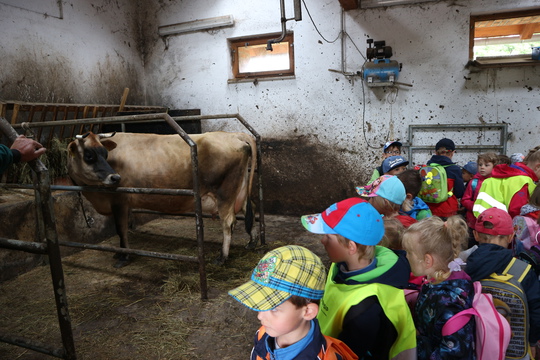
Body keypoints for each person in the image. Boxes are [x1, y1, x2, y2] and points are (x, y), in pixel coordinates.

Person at [301, 197, 417, 359]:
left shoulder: (366, 310)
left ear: (351, 247)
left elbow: (349, 355)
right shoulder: (340, 265)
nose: (322, 240)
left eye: (328, 236)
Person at [228, 245, 358, 360]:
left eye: (273, 309)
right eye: (262, 304)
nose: (260, 316)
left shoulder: (328, 357)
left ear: (308, 312)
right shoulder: (262, 334)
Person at [464, 207, 540, 357]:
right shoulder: (523, 271)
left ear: (475, 235)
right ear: (511, 236)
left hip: (476, 346)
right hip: (515, 348)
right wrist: (532, 342)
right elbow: (536, 311)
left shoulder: (463, 267)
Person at [401, 215, 475, 359]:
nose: (407, 257)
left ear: (427, 260)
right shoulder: (439, 280)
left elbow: (455, 352)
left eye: (409, 252)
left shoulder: (448, 301)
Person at [473, 146, 540, 218]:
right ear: (537, 167)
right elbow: (517, 212)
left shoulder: (500, 176)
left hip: (484, 222)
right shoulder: (523, 181)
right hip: (504, 225)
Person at [461, 152, 498, 245]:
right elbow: (465, 200)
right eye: (480, 164)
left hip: (491, 222)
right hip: (473, 222)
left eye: (486, 165)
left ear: (494, 166)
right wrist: (476, 207)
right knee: (472, 244)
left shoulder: (497, 182)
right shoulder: (474, 182)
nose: (482, 167)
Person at [424, 138, 465, 219]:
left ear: (435, 152)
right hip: (448, 210)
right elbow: (459, 192)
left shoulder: (427, 167)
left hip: (428, 209)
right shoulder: (454, 169)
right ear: (453, 152)